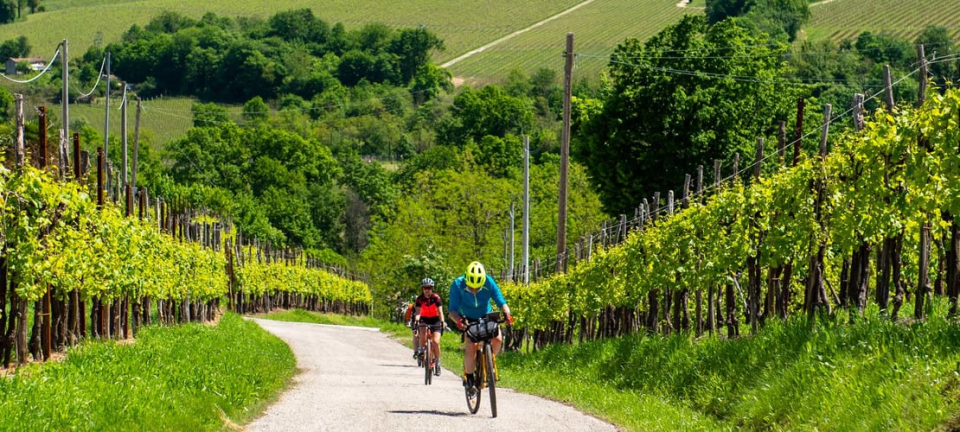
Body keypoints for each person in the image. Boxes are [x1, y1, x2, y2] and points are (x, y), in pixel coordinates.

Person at [448, 261, 513, 389]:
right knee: (471, 345)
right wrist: (459, 321)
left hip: (486, 315)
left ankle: (488, 359)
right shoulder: (457, 284)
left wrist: (507, 313)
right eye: (471, 287)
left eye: (477, 288)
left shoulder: (489, 282)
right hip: (468, 318)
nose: (474, 291)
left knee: (498, 339)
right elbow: (452, 311)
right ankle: (469, 376)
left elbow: (501, 301)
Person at [413, 278, 444, 376]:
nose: (427, 290)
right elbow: (418, 312)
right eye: (425, 288)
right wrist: (416, 320)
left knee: (436, 342)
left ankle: (438, 363)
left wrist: (442, 321)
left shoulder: (436, 298)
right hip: (424, 319)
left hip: (435, 319)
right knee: (422, 331)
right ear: (422, 289)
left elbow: (440, 312)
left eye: (429, 288)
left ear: (432, 288)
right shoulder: (419, 299)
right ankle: (421, 350)